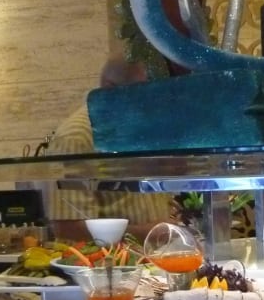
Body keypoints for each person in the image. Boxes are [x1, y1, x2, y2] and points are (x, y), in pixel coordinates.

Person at [43, 55, 181, 242]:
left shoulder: (138, 129)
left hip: (154, 256)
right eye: (140, 95)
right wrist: (147, 234)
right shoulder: (75, 138)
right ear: (109, 89)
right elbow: (68, 228)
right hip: (108, 260)